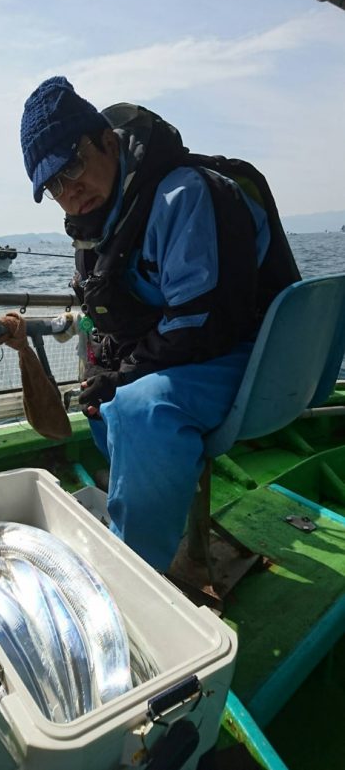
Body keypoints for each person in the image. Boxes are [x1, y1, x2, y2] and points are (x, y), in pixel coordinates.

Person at [20, 76, 301, 572]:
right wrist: (106, 374)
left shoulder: (183, 195)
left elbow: (202, 322)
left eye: (74, 165)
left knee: (138, 408)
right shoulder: (105, 219)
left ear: (107, 141)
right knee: (106, 399)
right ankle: (148, 509)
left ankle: (136, 578)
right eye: (53, 185)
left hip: (255, 355)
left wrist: (124, 375)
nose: (70, 190)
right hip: (203, 351)